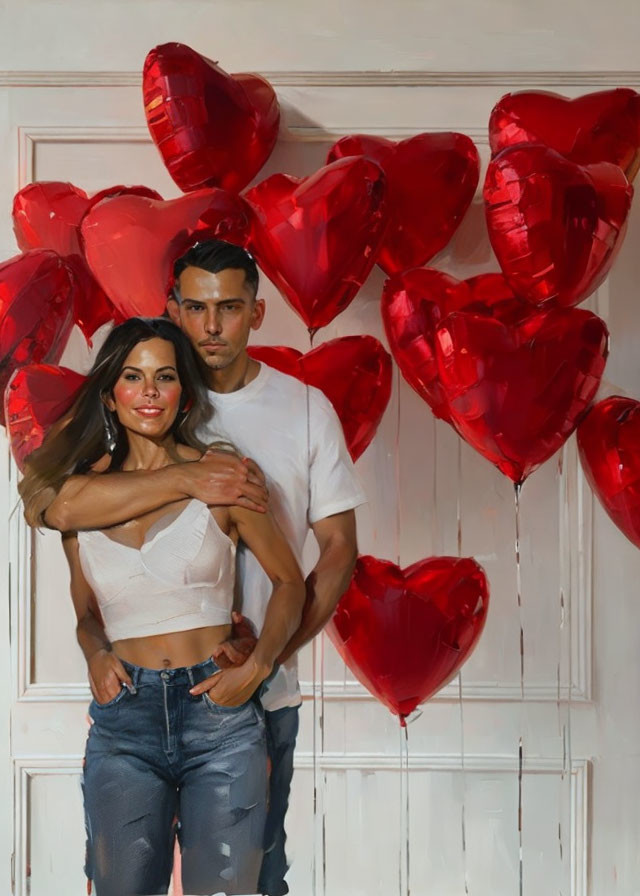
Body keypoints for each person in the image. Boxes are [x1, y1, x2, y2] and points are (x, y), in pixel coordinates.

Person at [34, 239, 366, 896]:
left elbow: (335, 554)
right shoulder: (143, 433)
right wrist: (96, 649)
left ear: (256, 312)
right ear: (173, 309)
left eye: (230, 308)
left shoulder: (303, 411)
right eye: (195, 307)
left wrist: (262, 663)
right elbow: (69, 533)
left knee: (254, 881)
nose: (211, 326)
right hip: (132, 704)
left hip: (253, 697)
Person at [19, 317, 306, 896]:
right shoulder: (81, 498)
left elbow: (290, 583)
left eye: (165, 377)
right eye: (132, 376)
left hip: (219, 718)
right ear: (110, 394)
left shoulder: (226, 479)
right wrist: (96, 652)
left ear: (183, 395)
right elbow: (85, 614)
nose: (149, 391)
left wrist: (257, 667)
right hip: (126, 720)